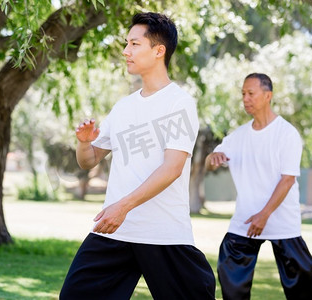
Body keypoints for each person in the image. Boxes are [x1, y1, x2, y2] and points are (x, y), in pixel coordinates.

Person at [59, 12, 216, 300]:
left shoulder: (178, 104)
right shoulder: (123, 107)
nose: (125, 51)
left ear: (159, 51)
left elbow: (172, 169)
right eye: (126, 44)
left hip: (162, 233)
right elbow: (89, 161)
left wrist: (123, 207)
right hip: (114, 232)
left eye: (134, 44)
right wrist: (83, 143)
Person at [205, 73, 312, 300]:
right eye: (243, 94)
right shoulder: (238, 136)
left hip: (282, 223)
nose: (245, 99)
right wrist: (213, 157)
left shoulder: (286, 134)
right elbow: (211, 161)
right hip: (245, 222)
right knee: (229, 271)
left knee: (303, 288)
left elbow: (287, 180)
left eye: (251, 93)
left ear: (268, 96)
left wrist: (264, 215)